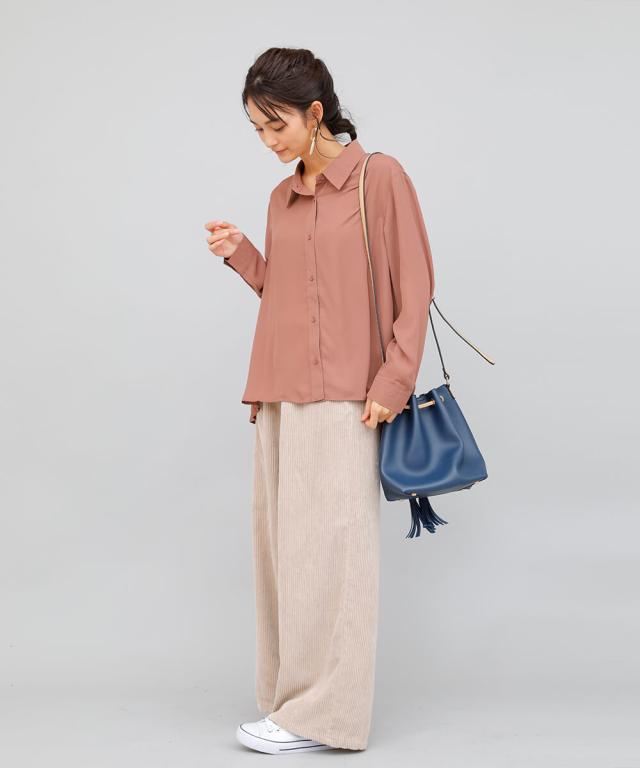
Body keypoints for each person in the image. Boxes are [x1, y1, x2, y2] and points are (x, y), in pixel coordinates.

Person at [204, 47, 435, 754]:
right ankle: (290, 703)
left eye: (275, 125)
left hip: (346, 399)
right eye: (256, 129)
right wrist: (244, 255)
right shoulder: (282, 199)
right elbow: (288, 297)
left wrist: (392, 383)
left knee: (335, 558)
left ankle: (325, 717)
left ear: (314, 113)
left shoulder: (378, 178)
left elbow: (415, 286)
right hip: (277, 396)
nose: (267, 141)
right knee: (285, 557)